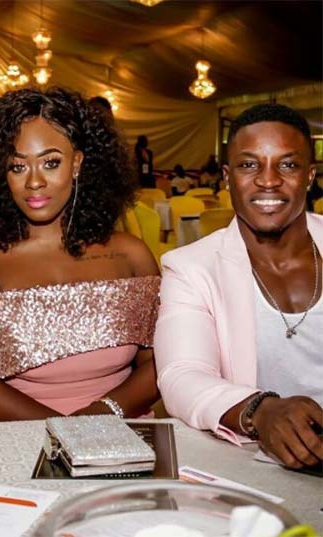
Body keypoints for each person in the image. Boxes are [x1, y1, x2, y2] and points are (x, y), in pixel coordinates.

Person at [0, 87, 160, 421]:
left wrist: (100, 415)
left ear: (77, 163)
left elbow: (161, 363)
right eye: (17, 167)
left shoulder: (131, 255)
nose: (34, 181)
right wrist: (62, 430)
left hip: (121, 426)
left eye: (50, 163)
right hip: (15, 433)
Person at [154, 103, 323, 470]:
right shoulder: (191, 267)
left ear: (309, 176)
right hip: (262, 466)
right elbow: (182, 375)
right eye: (249, 165)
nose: (268, 180)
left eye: (287, 165)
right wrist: (259, 409)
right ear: (228, 177)